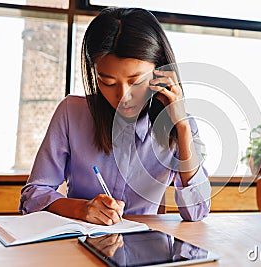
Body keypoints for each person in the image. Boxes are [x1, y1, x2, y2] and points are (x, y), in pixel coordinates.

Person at [19, 7, 211, 224]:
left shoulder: (180, 125)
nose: (123, 96)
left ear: (160, 73)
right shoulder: (71, 113)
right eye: (107, 82)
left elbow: (197, 212)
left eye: (136, 81)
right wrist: (82, 209)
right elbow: (32, 195)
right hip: (77, 245)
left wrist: (182, 127)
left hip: (144, 248)